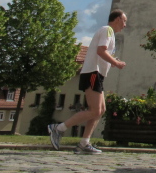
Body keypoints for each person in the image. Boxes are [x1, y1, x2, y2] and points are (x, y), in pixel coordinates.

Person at [48, 9, 127, 153]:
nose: (125, 25)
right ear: (117, 19)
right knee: (95, 110)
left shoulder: (109, 33)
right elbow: (101, 51)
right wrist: (116, 63)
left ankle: (84, 142)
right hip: (93, 73)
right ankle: (58, 128)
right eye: (124, 21)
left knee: (100, 110)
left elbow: (103, 53)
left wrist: (113, 61)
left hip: (97, 74)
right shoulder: (107, 30)